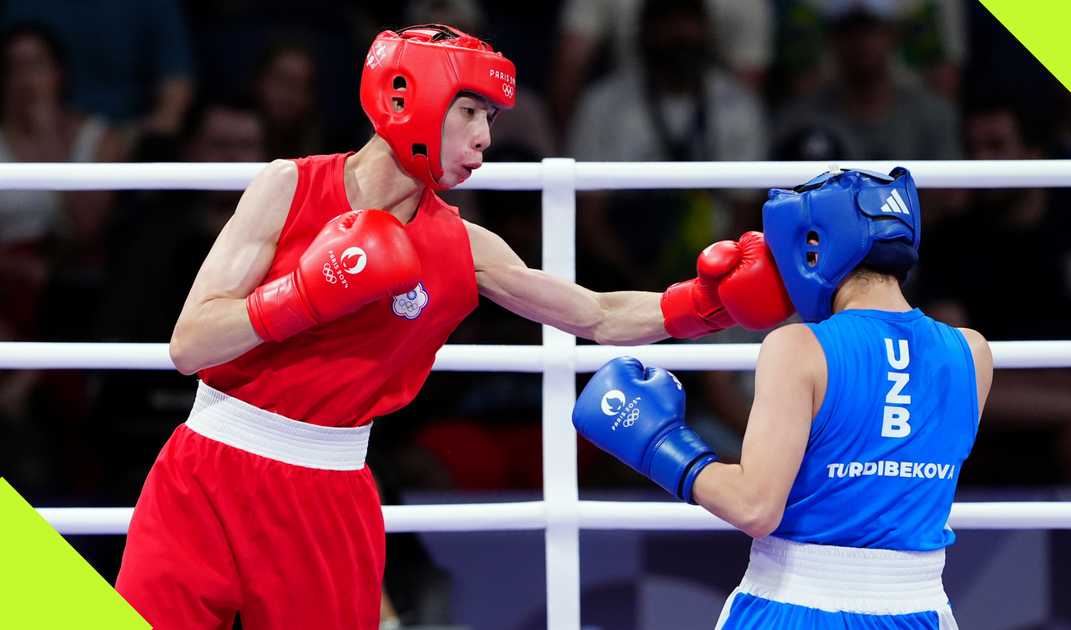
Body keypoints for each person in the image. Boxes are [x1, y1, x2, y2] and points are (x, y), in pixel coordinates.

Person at [113, 24, 794, 629]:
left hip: (325, 495)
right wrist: (305, 295)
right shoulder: (287, 186)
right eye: (470, 111)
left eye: (490, 118)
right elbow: (189, 343)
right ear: (408, 98)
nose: (485, 139)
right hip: (205, 469)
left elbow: (596, 314)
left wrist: (709, 304)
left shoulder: (463, 247)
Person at [573, 167, 994, 628]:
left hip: (795, 605)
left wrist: (658, 444)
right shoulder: (971, 353)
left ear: (813, 246)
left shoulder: (798, 348)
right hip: (922, 611)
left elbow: (754, 506)